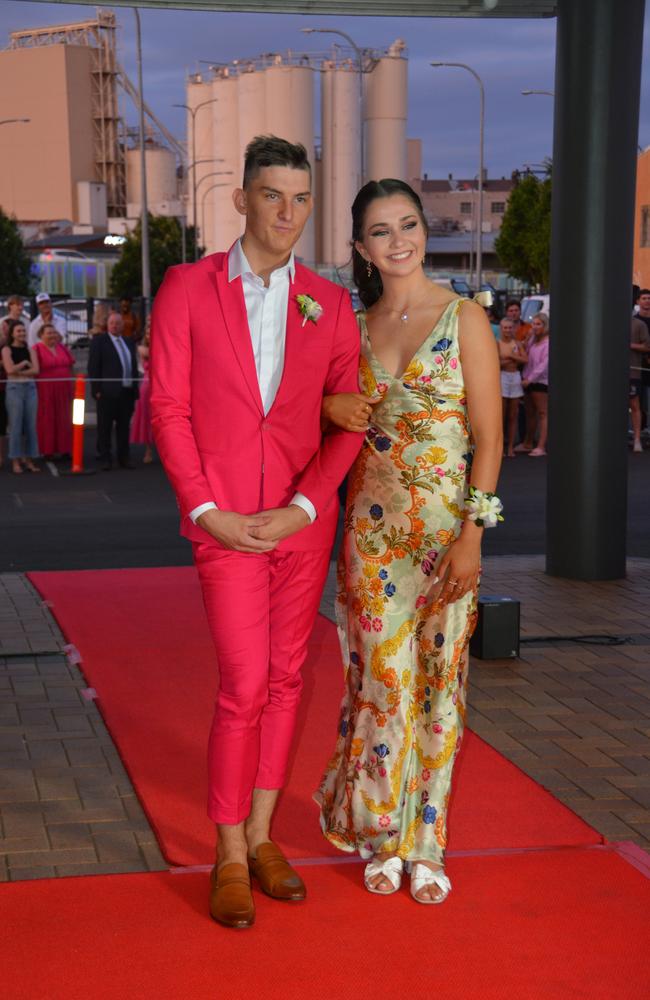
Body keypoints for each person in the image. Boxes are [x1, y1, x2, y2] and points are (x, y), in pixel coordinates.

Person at [150, 135, 364, 930]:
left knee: (285, 682)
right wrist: (208, 511)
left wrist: (306, 508)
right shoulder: (185, 287)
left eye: (301, 198)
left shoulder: (329, 302)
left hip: (302, 527)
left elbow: (349, 421)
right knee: (242, 687)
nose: (288, 212)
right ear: (240, 199)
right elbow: (168, 408)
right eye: (272, 195)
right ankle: (230, 851)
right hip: (226, 525)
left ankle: (268, 835)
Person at [315, 179, 503, 905]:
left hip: (446, 538)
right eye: (382, 232)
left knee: (440, 690)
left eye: (409, 225)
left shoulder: (467, 320)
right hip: (369, 537)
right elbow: (323, 415)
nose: (400, 242)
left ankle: (428, 844)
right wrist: (333, 407)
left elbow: (489, 444)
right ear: (362, 248)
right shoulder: (350, 327)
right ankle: (382, 834)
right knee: (383, 686)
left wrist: (473, 540)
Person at [88, 310, 139, 471]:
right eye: (112, 323)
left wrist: (135, 388)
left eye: (118, 323)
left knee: (124, 427)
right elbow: (93, 367)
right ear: (107, 325)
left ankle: (124, 457)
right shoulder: (99, 341)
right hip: (107, 392)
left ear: (122, 325)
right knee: (105, 427)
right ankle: (105, 458)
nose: (115, 326)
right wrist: (96, 389)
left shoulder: (128, 342)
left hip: (126, 392)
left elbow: (133, 367)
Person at [1, 319, 41, 474]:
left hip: (30, 388)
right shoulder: (6, 349)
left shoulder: (30, 349)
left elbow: (36, 370)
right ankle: (15, 461)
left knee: (31, 426)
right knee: (16, 426)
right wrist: (25, 363)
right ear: (12, 333)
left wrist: (20, 370)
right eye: (19, 331)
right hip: (14, 388)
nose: (22, 333)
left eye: (23, 331)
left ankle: (30, 459)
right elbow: (9, 370)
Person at [34, 322, 75, 458]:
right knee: (48, 419)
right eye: (49, 333)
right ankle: (48, 450)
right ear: (41, 335)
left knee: (65, 417)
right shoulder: (36, 349)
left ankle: (65, 448)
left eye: (53, 332)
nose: (52, 335)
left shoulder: (62, 347)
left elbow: (71, 365)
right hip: (46, 390)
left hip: (65, 389)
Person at [498, 316, 527, 457]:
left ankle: (510, 447)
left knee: (513, 415)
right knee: (501, 415)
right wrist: (511, 358)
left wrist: (511, 357)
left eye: (510, 327)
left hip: (515, 376)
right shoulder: (497, 344)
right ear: (501, 329)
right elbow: (495, 363)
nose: (508, 330)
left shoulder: (517, 343)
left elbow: (525, 359)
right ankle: (500, 447)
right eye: (505, 327)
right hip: (502, 376)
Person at [521, 311, 550, 457]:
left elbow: (543, 365)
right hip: (528, 379)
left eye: (538, 324)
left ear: (545, 326)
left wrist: (530, 378)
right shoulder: (533, 339)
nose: (535, 326)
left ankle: (541, 446)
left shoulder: (548, 342)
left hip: (540, 381)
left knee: (543, 413)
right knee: (529, 413)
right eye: (534, 323)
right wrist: (527, 340)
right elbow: (526, 355)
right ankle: (527, 443)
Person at [129, 321, 154, 463]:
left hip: (162, 385)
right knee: (146, 417)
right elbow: (152, 354)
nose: (150, 335)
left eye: (153, 332)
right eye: (148, 333)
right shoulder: (142, 348)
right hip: (147, 385)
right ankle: (148, 450)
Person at [630, 315, 650, 452]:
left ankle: (637, 440)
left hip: (632, 372)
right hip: (610, 372)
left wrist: (629, 344)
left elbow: (647, 346)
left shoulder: (639, 324)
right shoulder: (608, 321)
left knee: (635, 404)